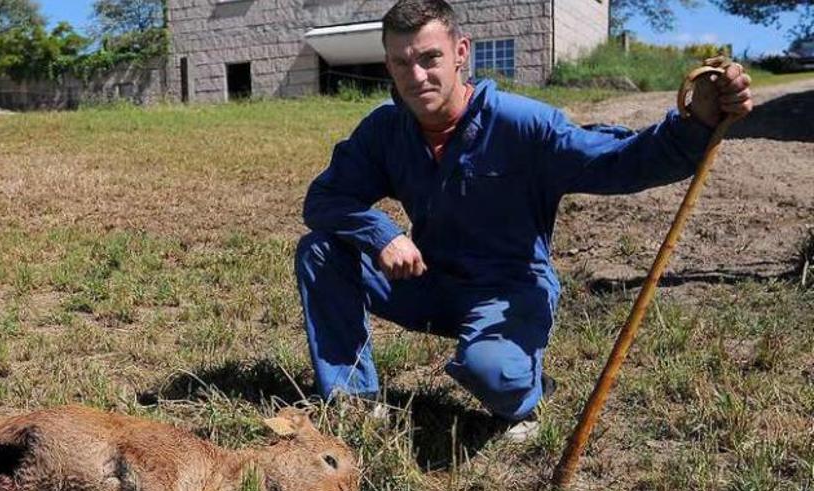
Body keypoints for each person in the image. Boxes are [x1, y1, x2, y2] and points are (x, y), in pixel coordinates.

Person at [295, 0, 753, 440]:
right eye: (401, 63)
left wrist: (695, 124)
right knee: (320, 250)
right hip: (430, 281)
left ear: (460, 53)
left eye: (430, 58)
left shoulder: (522, 125)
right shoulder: (385, 130)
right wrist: (381, 233)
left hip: (509, 292)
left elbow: (619, 160)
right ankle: (352, 399)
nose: (416, 76)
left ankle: (528, 388)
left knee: (490, 372)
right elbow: (324, 199)